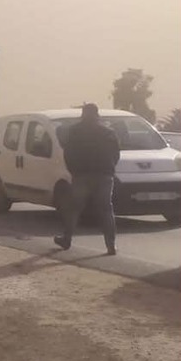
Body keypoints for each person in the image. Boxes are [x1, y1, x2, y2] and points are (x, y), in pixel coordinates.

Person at [55, 104, 120, 255]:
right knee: (106, 210)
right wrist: (109, 170)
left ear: (83, 114)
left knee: (75, 208)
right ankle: (111, 245)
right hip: (104, 175)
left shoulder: (75, 131)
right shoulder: (108, 132)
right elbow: (116, 154)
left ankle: (67, 239)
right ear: (97, 115)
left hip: (81, 175)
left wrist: (73, 171)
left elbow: (68, 154)